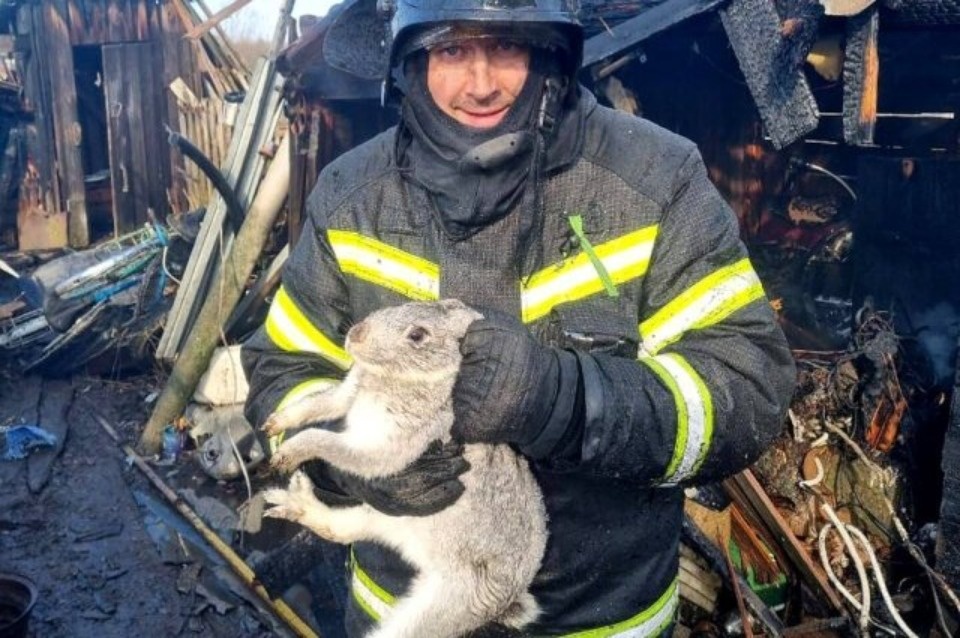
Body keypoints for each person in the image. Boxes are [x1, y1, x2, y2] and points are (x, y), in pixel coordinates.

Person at [242, 0, 796, 635]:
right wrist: (347, 472)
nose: (480, 84)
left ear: (551, 52)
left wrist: (566, 402)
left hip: (599, 622)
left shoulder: (654, 181)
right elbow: (283, 365)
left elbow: (746, 391)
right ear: (410, 60)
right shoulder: (352, 196)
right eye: (451, 50)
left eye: (507, 47)